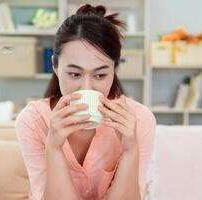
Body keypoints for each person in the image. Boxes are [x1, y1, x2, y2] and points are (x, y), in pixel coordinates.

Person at [15, 4, 156, 200]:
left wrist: (130, 151)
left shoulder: (139, 120)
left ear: (114, 69)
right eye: (74, 74)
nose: (87, 88)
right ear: (55, 66)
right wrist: (54, 148)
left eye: (100, 75)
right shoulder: (33, 121)